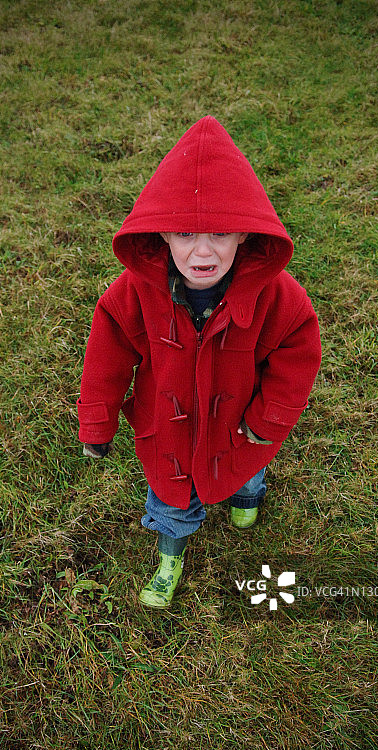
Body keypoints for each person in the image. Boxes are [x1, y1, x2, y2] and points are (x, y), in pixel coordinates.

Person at [77, 116, 321, 609]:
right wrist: (97, 424)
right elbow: (106, 356)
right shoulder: (133, 293)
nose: (203, 252)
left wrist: (268, 421)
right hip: (166, 429)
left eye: (222, 233)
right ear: (162, 233)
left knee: (246, 467)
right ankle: (171, 555)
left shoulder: (279, 298)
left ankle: (247, 497)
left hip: (240, 424)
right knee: (170, 498)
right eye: (186, 231)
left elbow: (297, 355)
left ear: (247, 237)